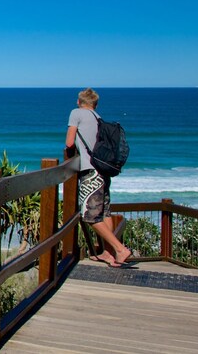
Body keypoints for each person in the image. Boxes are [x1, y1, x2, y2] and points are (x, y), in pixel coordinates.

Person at [65, 87, 133, 267]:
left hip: (90, 172)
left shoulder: (76, 113)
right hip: (103, 171)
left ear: (79, 102)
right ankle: (108, 253)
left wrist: (71, 152)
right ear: (95, 104)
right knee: (104, 212)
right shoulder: (98, 117)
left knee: (89, 215)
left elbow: (69, 142)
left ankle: (120, 249)